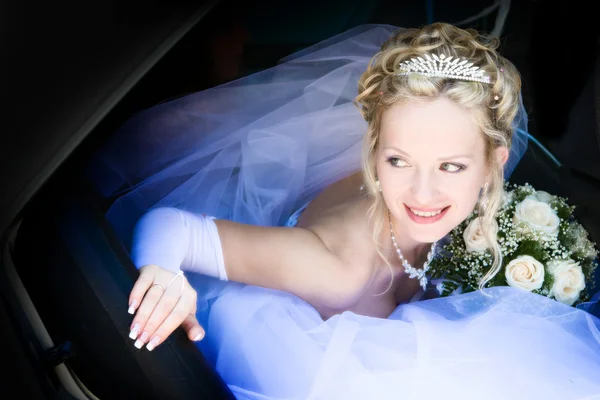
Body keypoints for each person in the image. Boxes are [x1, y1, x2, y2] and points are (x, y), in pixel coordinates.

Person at [89, 22, 600, 399]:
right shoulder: (334, 265)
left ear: (493, 166)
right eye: (398, 161)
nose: (422, 194)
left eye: (451, 167)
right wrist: (162, 272)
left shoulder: (477, 215)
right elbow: (169, 225)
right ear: (374, 151)